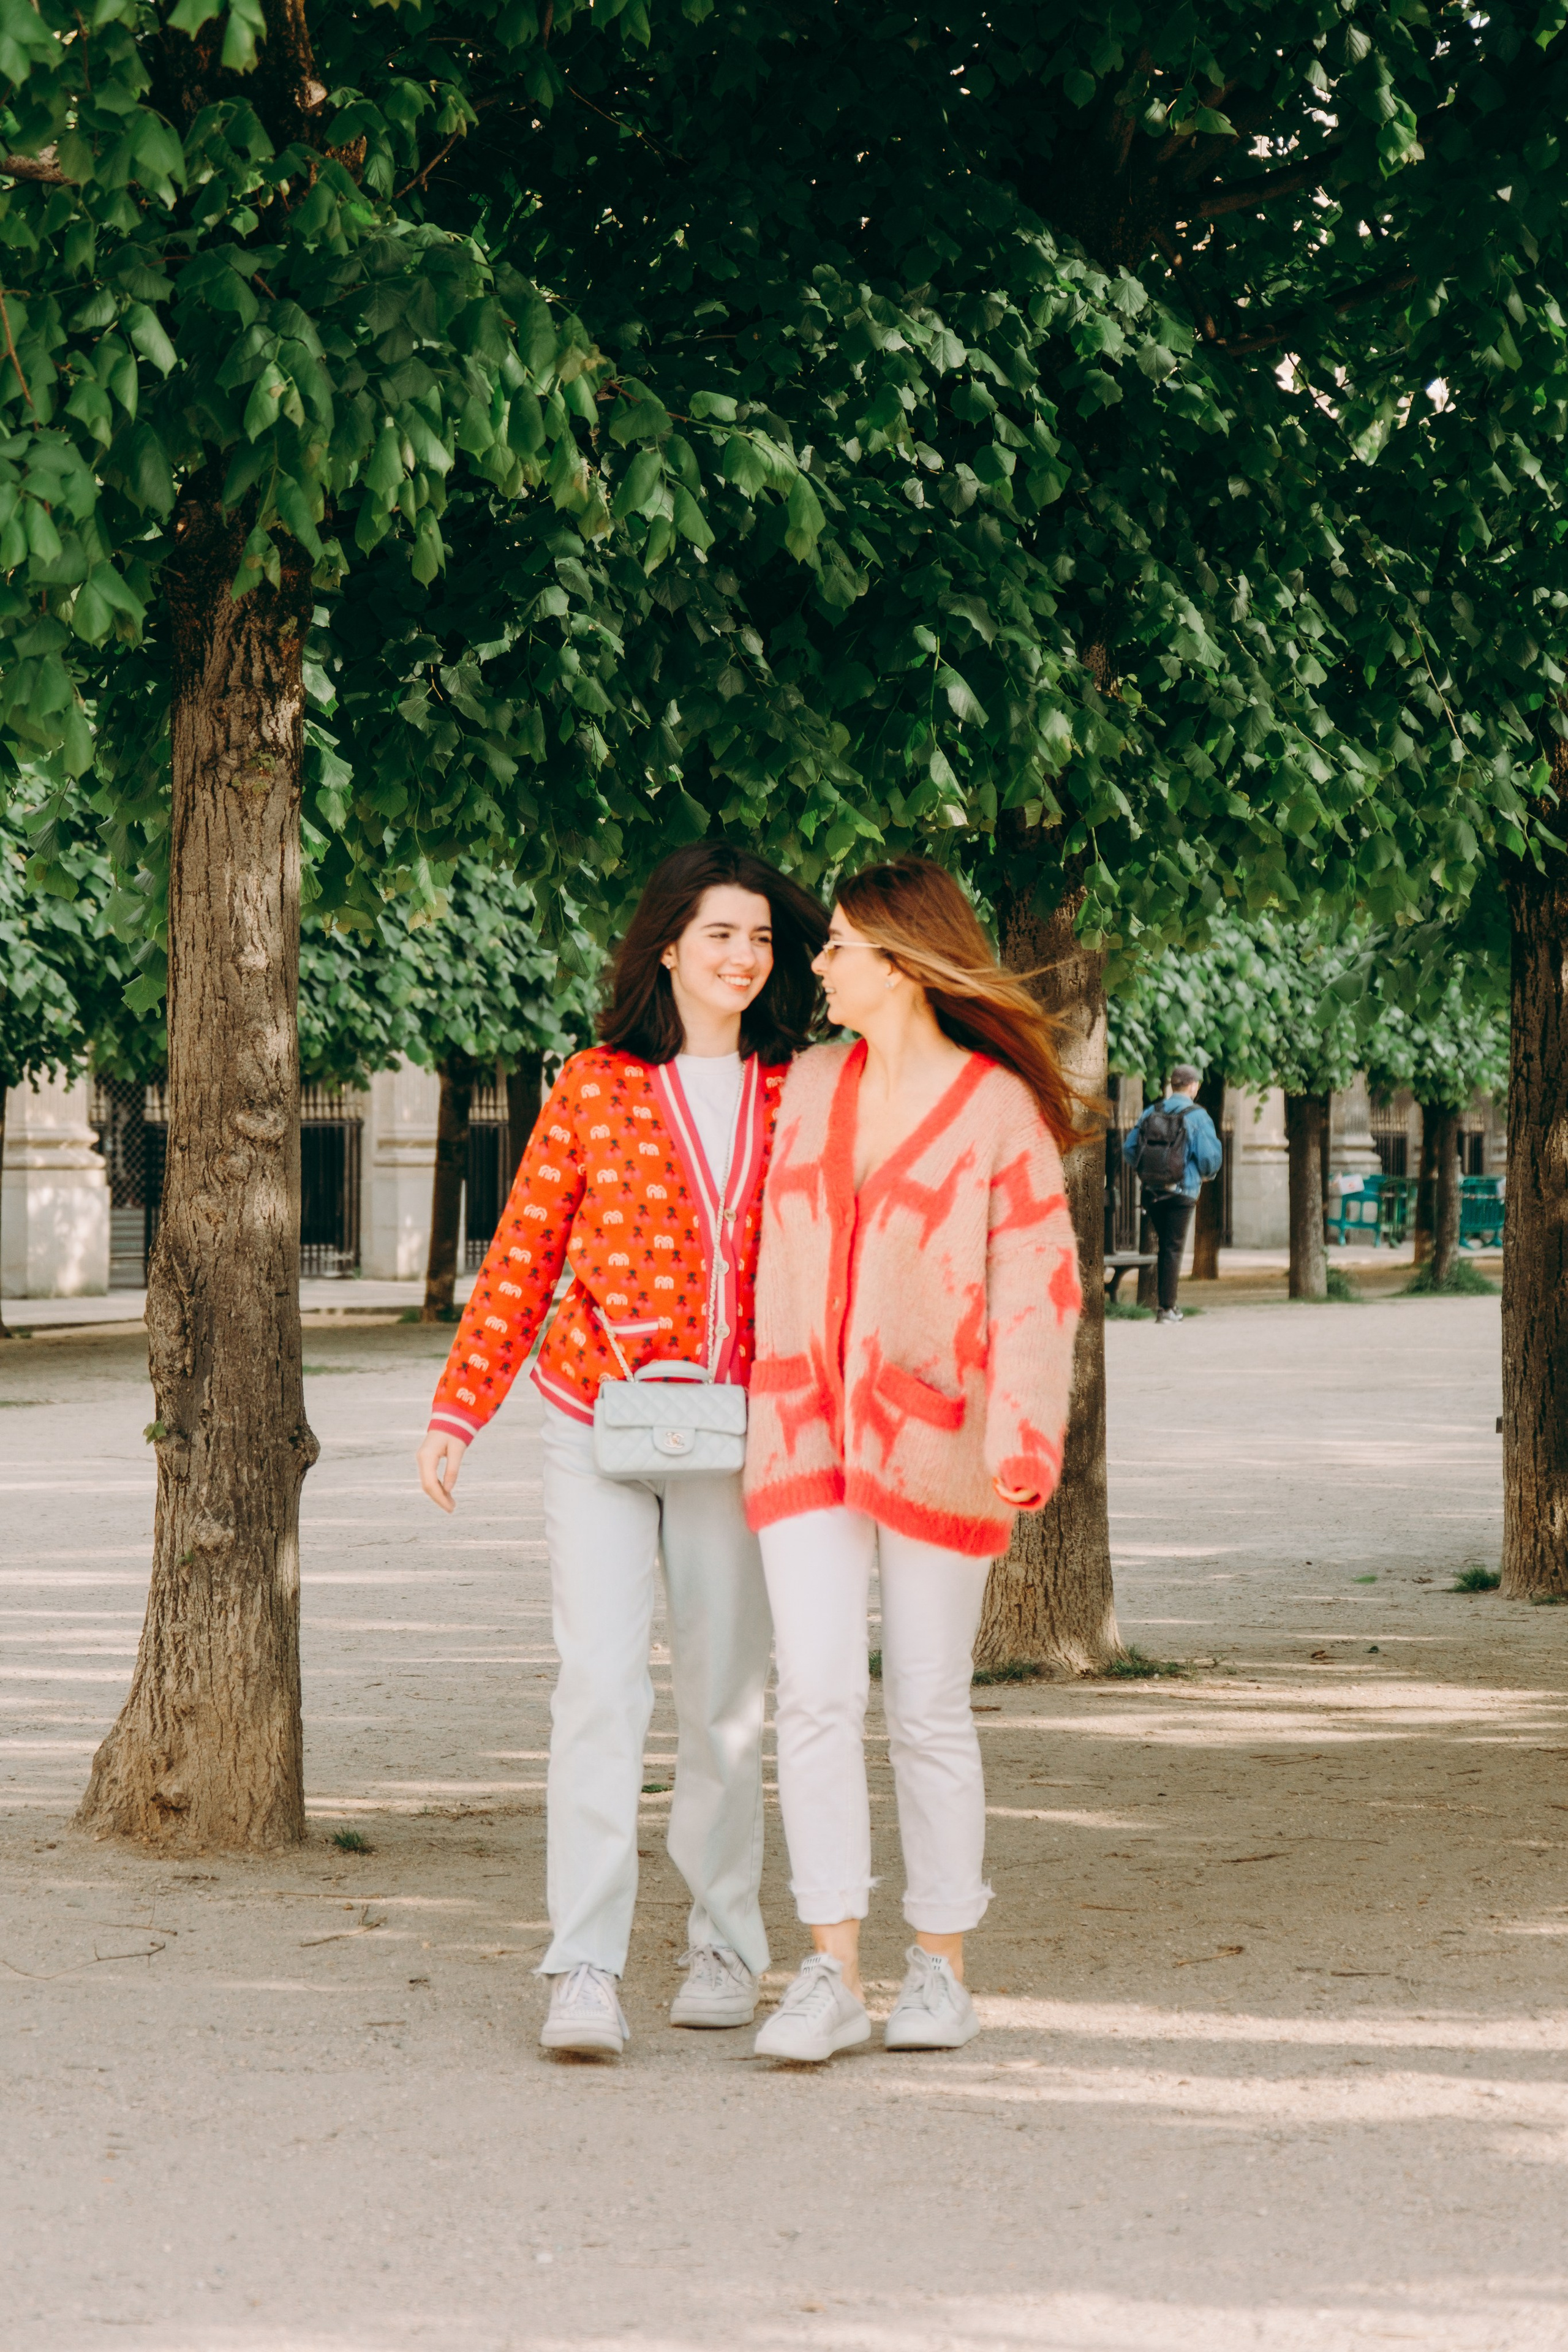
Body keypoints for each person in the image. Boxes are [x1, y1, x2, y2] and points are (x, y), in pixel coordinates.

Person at [415, 843, 827, 2058]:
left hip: (734, 1426)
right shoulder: (594, 1085)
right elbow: (525, 1252)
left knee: (722, 1703)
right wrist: (458, 1410)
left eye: (758, 938)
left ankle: (721, 1944)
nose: (742, 958)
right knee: (597, 1688)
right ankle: (583, 1966)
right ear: (665, 946)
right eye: (718, 936)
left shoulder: (796, 1089)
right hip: (596, 1414)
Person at [741, 858, 1082, 2065]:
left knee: (925, 1704)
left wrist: (1020, 1437)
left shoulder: (996, 1110)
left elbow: (1038, 1290)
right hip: (800, 1427)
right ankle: (828, 1970)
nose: (815, 965)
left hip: (941, 1437)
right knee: (816, 1697)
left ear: (895, 959)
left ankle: (938, 1968)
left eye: (832, 946)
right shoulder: (807, 1086)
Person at [1121, 1064, 1223, 1323]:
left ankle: (1166, 1307)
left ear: (1172, 1085)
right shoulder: (1198, 1116)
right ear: (1193, 1086)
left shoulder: (1152, 1111)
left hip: (1152, 1190)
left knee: (1166, 1247)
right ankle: (1167, 1309)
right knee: (1173, 1247)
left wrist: (1149, 1171)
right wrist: (1205, 1175)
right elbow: (1211, 1158)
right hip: (1183, 1191)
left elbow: (1130, 1149)